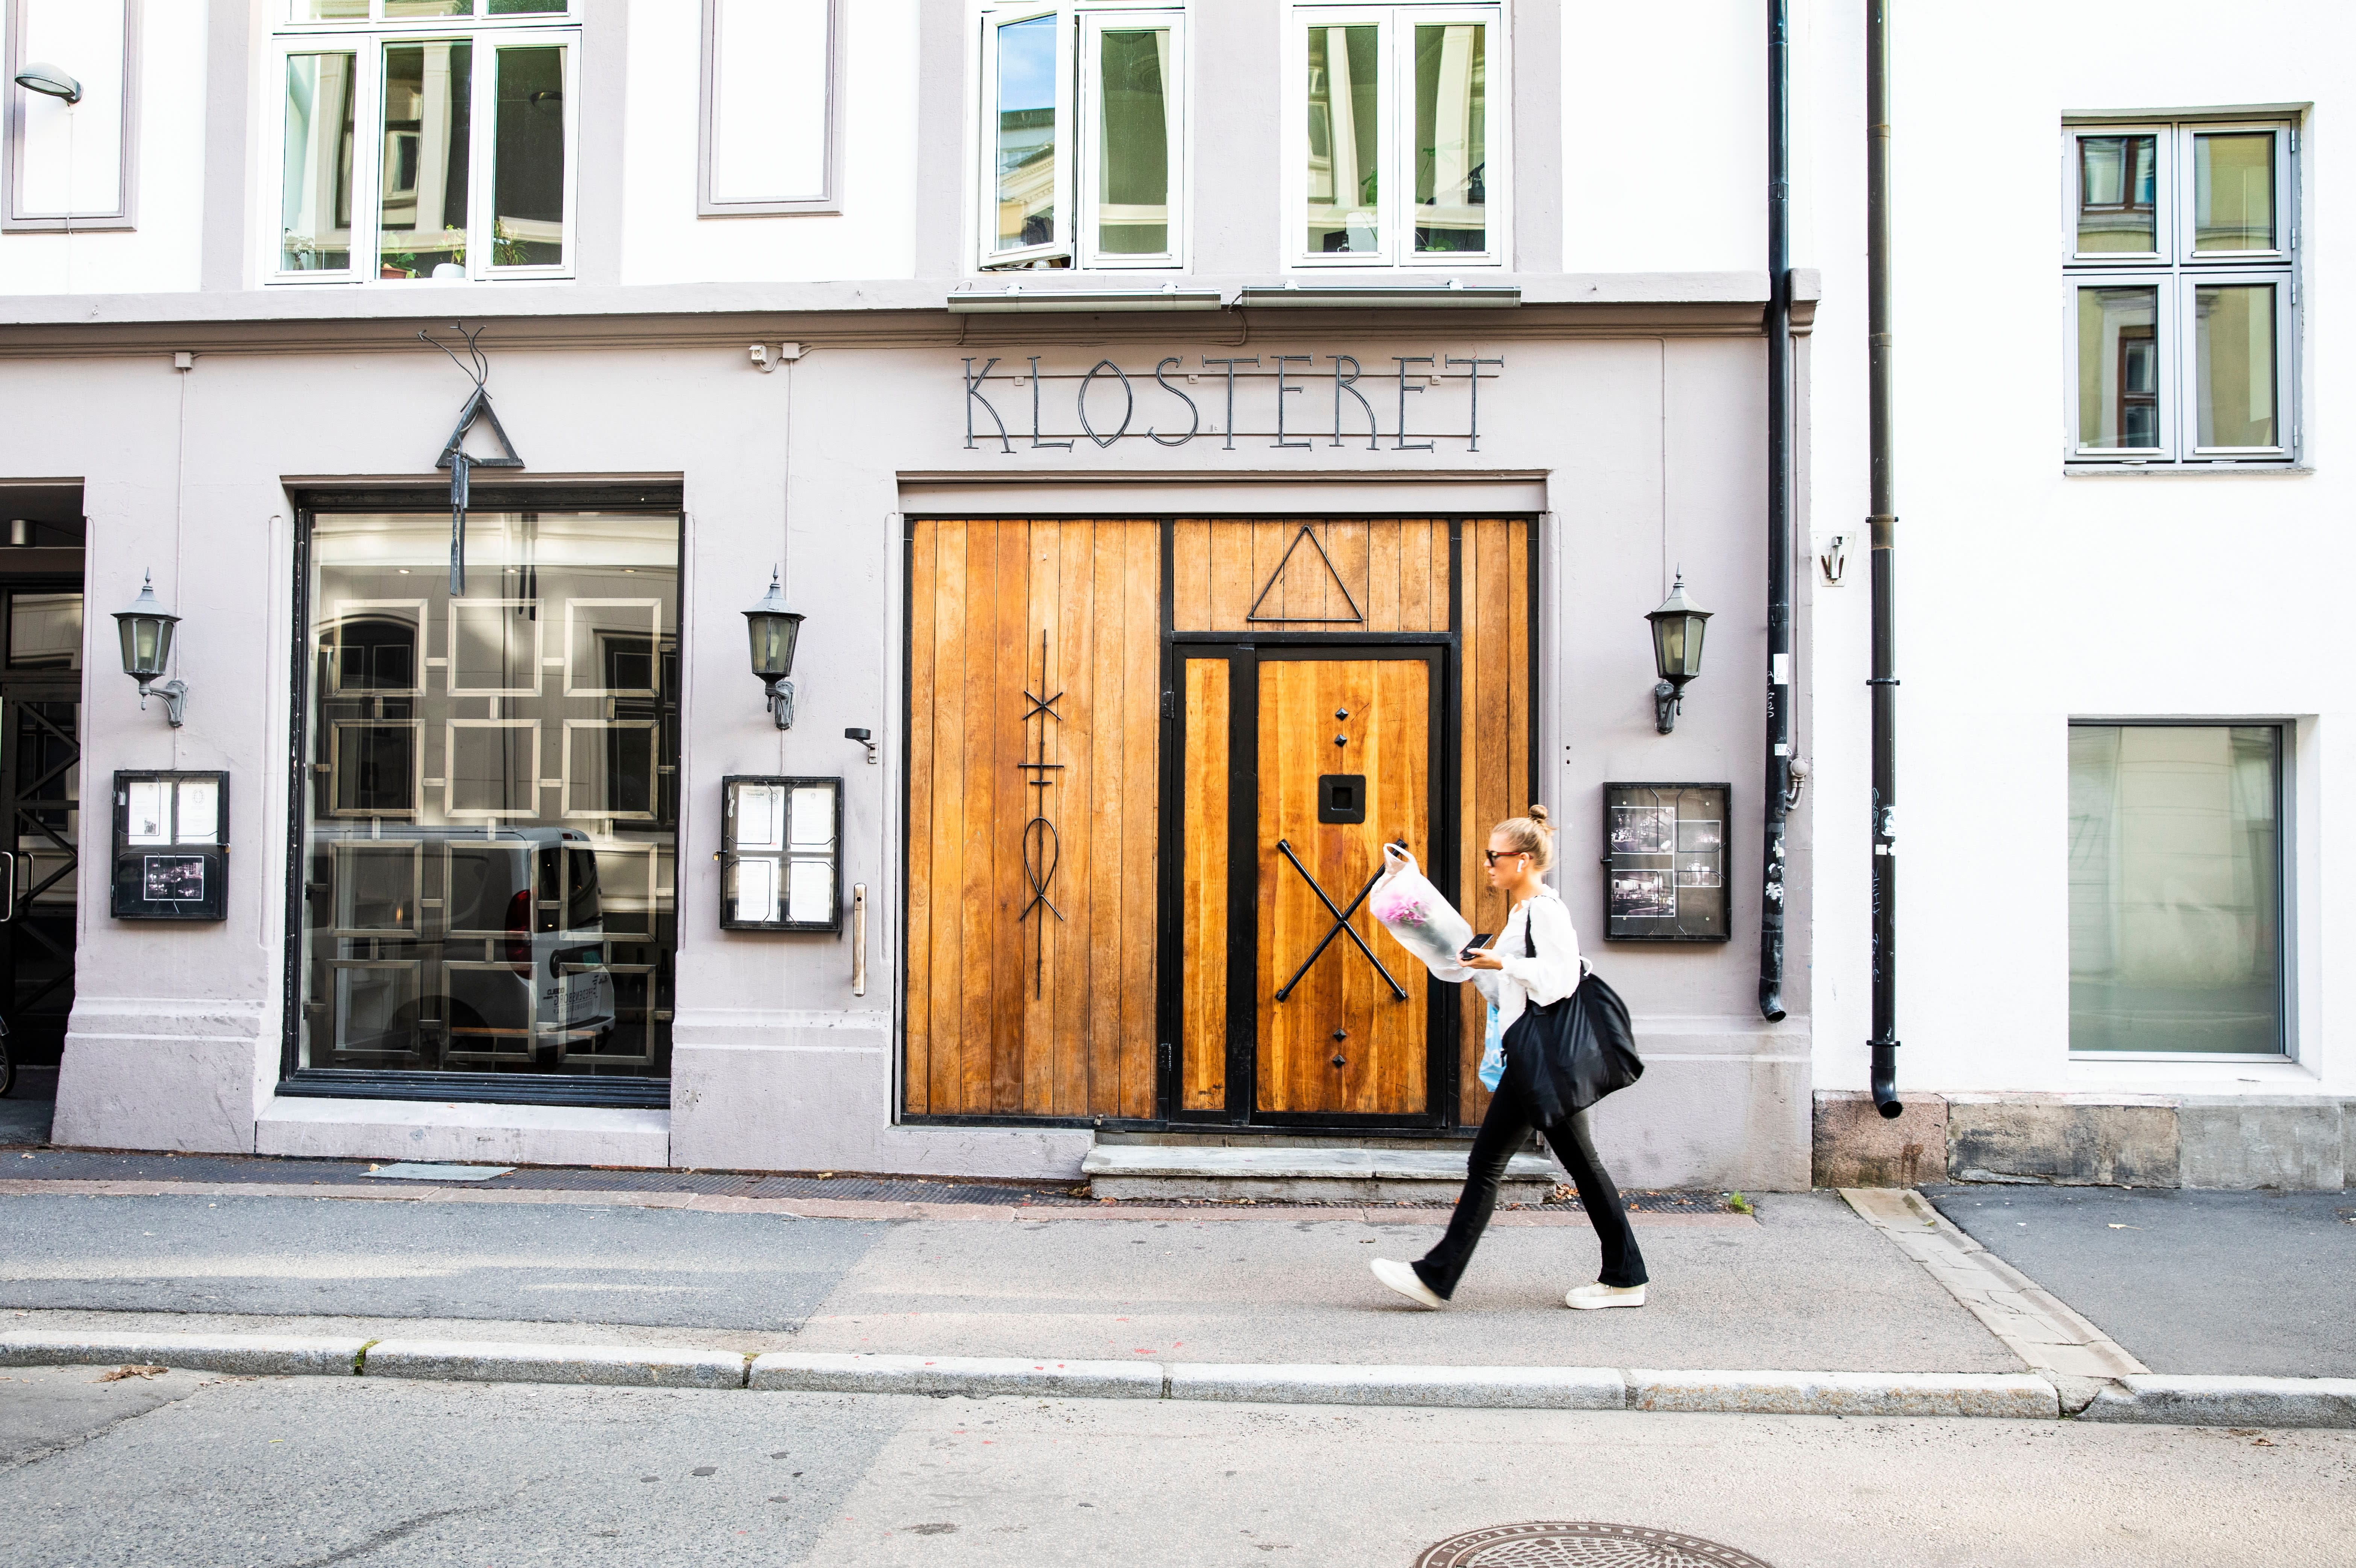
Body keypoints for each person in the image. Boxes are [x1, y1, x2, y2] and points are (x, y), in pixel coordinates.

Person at [1369, 807, 1650, 1310]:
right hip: (1532, 1055)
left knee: (1488, 1165)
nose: (1487, 865)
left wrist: (1502, 961)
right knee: (1575, 1167)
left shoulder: (1545, 910)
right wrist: (1410, 887)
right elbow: (1510, 986)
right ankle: (1624, 1274)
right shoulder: (1523, 913)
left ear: (1521, 861)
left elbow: (1558, 980)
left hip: (1539, 1057)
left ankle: (1436, 1278)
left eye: (1493, 856)